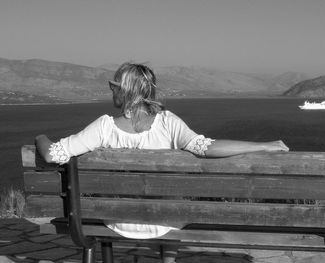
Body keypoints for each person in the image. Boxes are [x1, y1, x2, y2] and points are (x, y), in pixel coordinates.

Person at [35, 62, 289, 240]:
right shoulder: (168, 122)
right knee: (173, 205)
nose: (110, 89)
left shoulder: (103, 128)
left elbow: (51, 155)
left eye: (113, 85)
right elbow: (205, 147)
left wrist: (41, 136)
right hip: (164, 222)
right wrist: (265, 145)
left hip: (118, 221)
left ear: (125, 91)